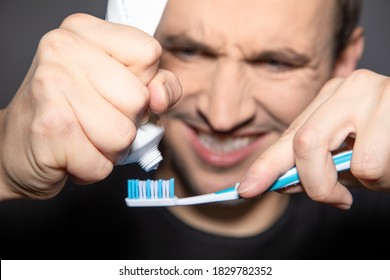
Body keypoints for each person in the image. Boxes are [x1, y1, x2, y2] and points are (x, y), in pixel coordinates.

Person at [1, 0, 390, 259]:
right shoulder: (40, 207)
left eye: (275, 62)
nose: (222, 116)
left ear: (343, 61)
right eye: (191, 51)